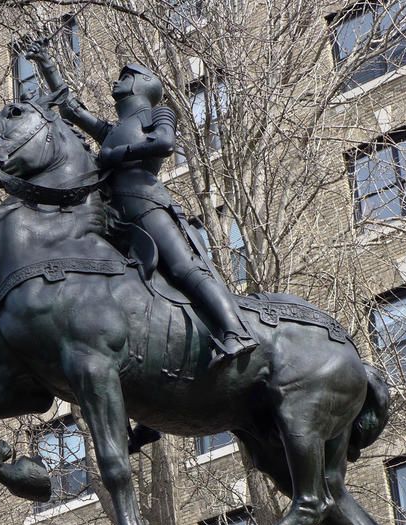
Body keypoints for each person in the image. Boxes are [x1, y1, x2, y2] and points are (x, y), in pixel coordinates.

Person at [26, 45, 257, 362]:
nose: (116, 82)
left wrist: (115, 155)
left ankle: (236, 333)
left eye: (124, 77)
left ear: (139, 82)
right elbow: (71, 109)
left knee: (183, 267)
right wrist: (47, 63)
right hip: (114, 214)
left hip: (146, 202)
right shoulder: (111, 130)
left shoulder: (157, 113)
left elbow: (164, 142)